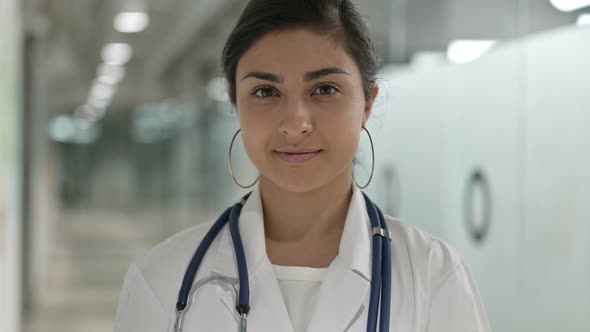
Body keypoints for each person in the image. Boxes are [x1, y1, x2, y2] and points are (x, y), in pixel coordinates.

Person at [114, 0, 492, 331]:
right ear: (234, 103)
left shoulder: (433, 276)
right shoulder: (162, 280)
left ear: (367, 103)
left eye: (325, 89)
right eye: (265, 92)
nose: (296, 122)